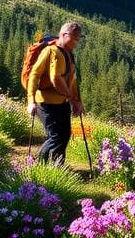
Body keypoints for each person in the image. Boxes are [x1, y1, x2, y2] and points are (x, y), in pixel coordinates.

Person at [26, 21, 84, 164]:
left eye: (78, 38)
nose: (77, 41)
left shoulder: (69, 55)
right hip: (45, 103)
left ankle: (57, 166)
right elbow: (38, 75)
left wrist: (77, 101)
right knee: (56, 136)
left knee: (63, 135)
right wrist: (31, 101)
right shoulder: (51, 51)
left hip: (62, 102)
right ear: (64, 35)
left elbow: (72, 81)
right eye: (74, 38)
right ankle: (39, 165)